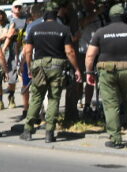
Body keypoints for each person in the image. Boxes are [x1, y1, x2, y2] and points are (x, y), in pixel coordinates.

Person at [85, 4, 127, 148]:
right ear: (124, 16)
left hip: (107, 71)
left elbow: (90, 55)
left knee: (111, 105)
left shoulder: (100, 32)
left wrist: (89, 72)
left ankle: (116, 139)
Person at [20, 9, 82, 143]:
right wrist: (77, 69)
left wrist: (30, 67)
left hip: (39, 66)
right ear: (56, 17)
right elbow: (70, 51)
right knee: (54, 99)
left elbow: (28, 51)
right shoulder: (63, 29)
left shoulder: (34, 29)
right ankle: (49, 132)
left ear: (44, 17)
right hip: (57, 67)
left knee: (36, 97)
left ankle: (28, 130)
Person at [0, 9, 18, 110]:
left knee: (12, 79)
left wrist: (3, 46)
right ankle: (0, 101)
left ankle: (11, 98)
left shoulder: (10, 23)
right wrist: (3, 36)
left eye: (1, 13)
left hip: (9, 55)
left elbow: (10, 35)